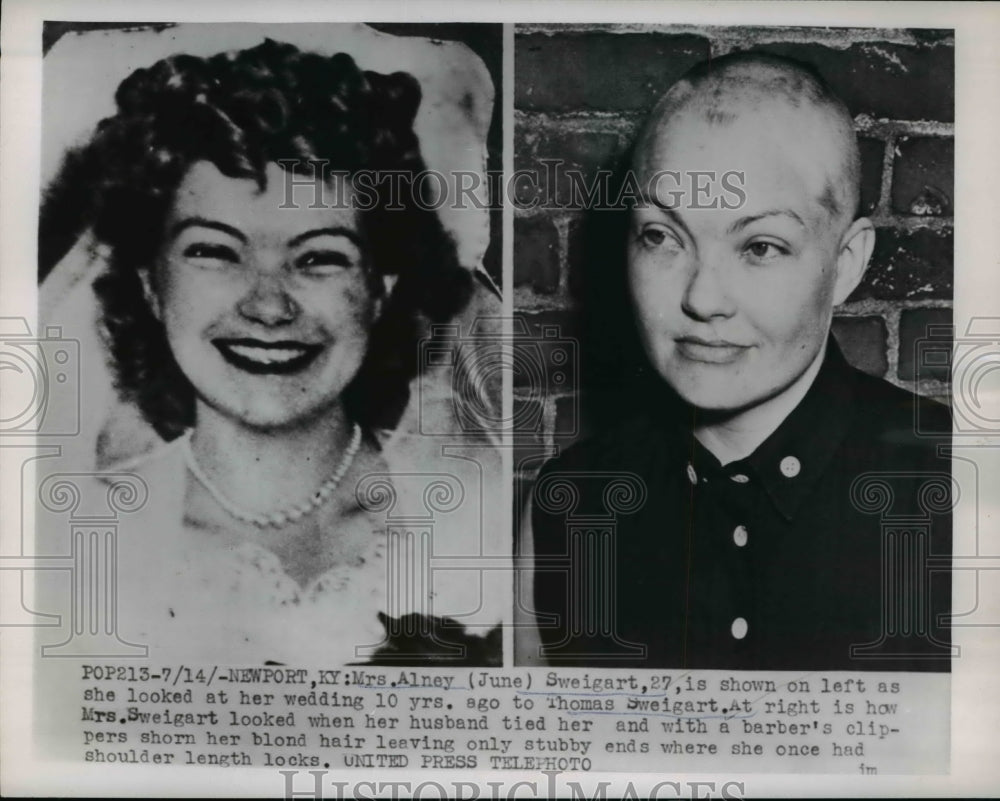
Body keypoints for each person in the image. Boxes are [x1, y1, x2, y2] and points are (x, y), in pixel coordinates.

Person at [35, 38, 502, 667]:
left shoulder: (481, 519)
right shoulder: (79, 541)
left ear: (380, 288)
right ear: (150, 283)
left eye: (319, 258)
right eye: (214, 251)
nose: (269, 307)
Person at [521, 52, 952, 671]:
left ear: (846, 264)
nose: (701, 298)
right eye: (661, 236)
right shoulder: (568, 501)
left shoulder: (962, 487)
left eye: (760, 246)